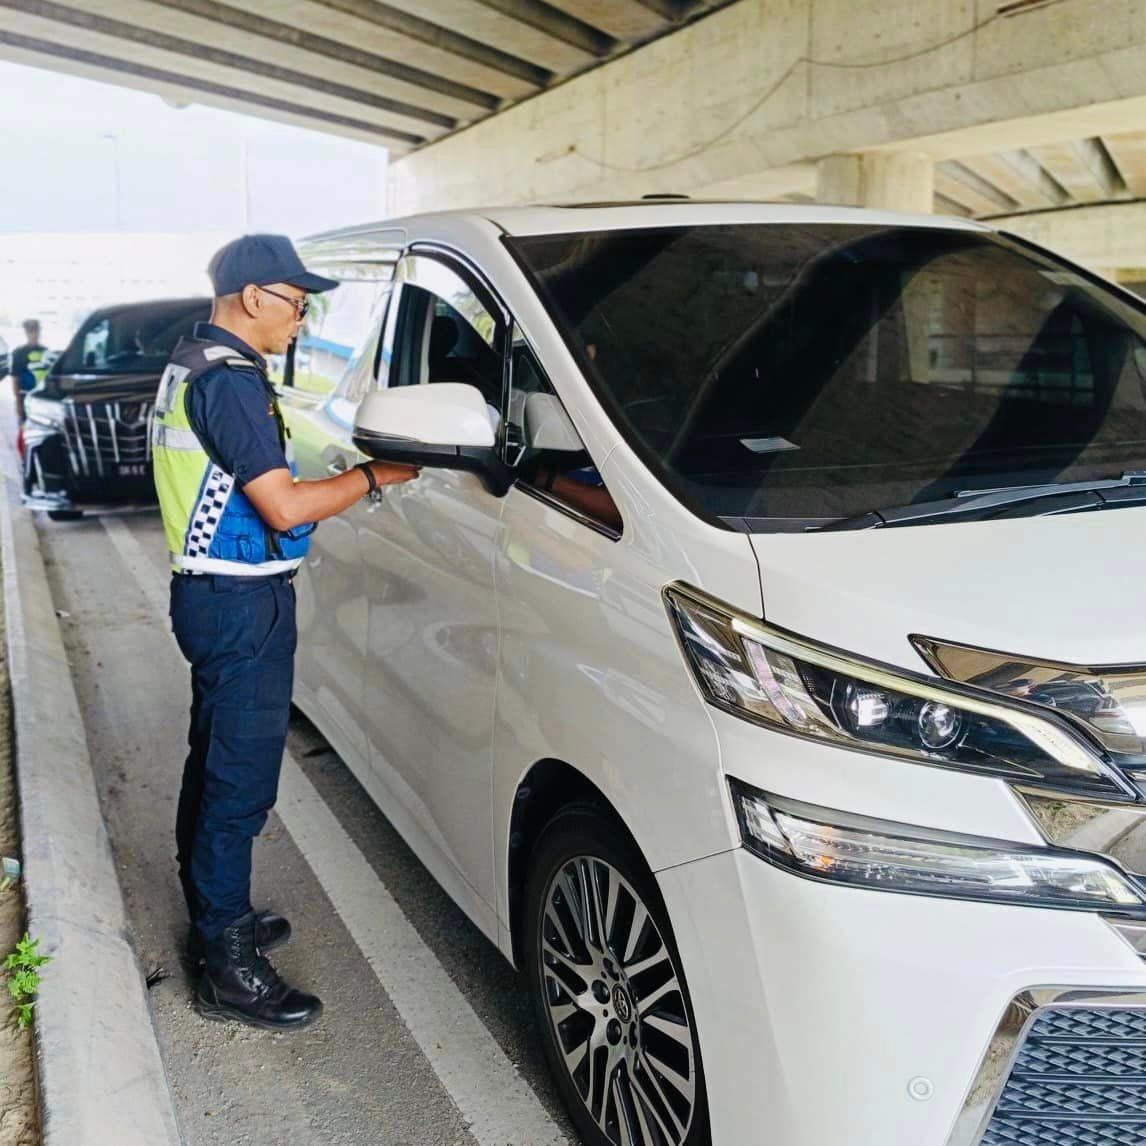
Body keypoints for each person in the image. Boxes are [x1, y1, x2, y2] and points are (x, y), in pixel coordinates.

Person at [152, 234, 418, 1031]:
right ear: (253, 296)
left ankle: (214, 914)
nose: (302, 319)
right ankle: (228, 966)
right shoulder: (229, 384)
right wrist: (376, 476)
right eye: (297, 303)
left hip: (214, 596)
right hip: (239, 603)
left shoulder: (193, 358)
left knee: (215, 762)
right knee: (239, 783)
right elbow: (286, 507)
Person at [8, 319, 49, 421]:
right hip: (25, 398)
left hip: (42, 399)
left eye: (36, 330)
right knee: (25, 431)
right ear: (25, 332)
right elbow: (15, 379)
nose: (34, 334)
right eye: (31, 331)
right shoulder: (18, 353)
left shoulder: (45, 351)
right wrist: (18, 404)